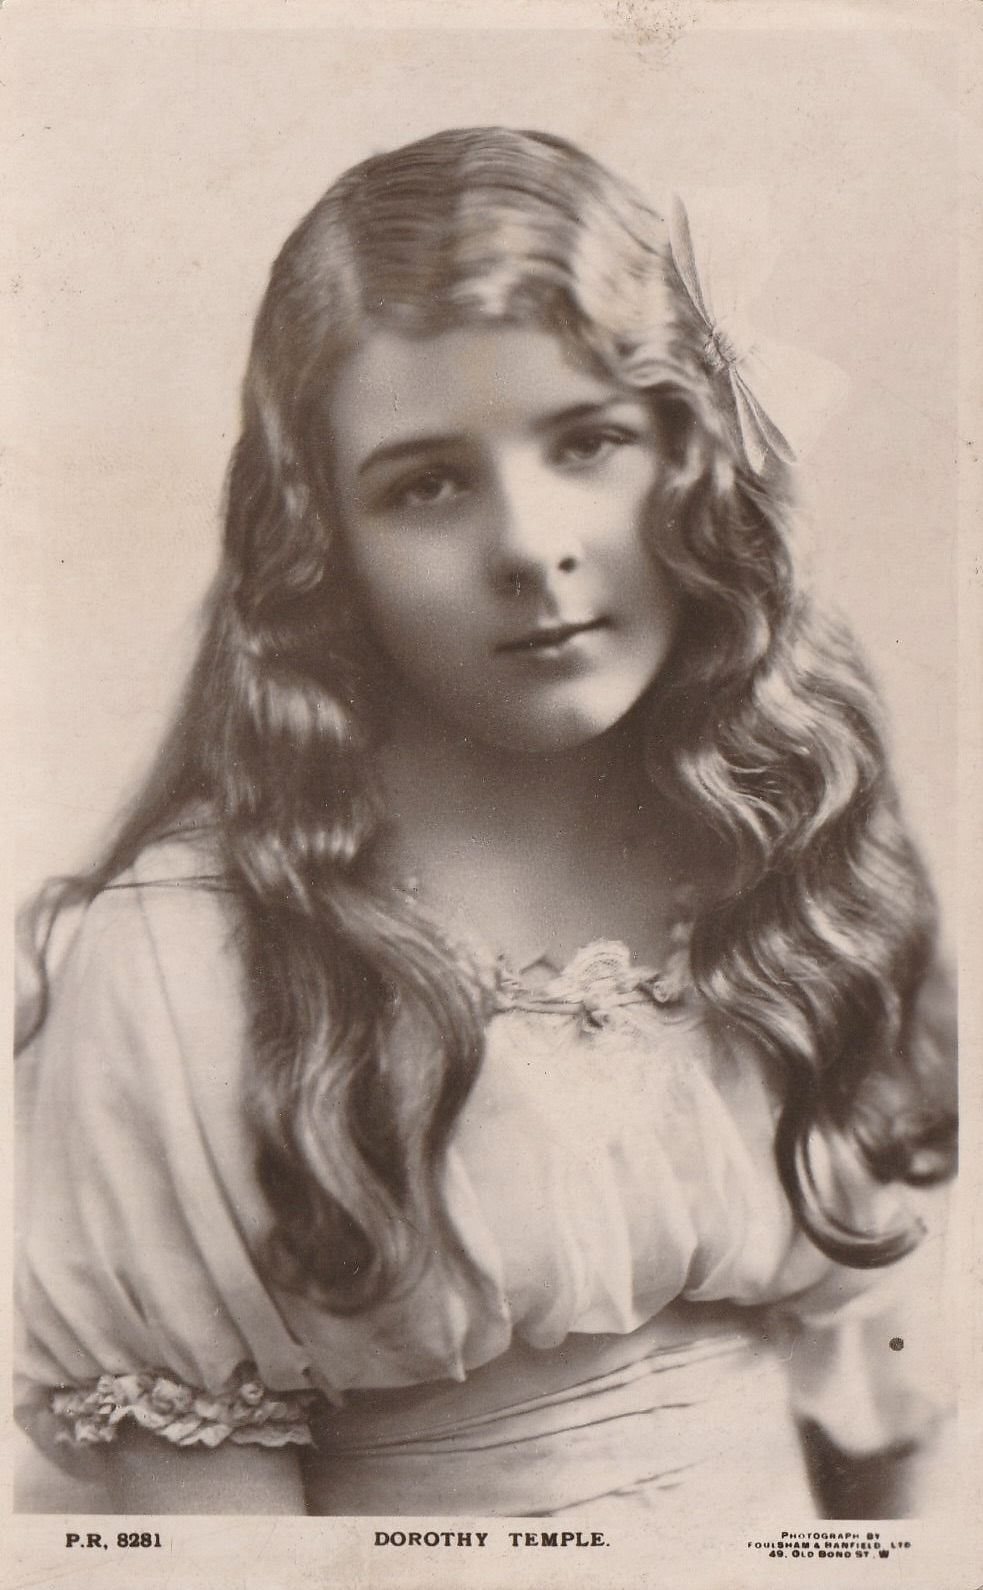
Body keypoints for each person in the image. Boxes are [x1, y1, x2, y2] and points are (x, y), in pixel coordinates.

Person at [15, 126, 956, 1522]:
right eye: (428, 485)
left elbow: (902, 1438)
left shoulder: (788, 861)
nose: (529, 544)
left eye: (590, 443)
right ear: (323, 542)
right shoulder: (185, 966)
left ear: (693, 459)